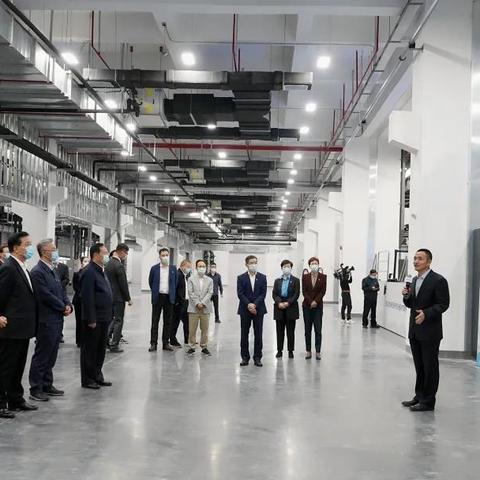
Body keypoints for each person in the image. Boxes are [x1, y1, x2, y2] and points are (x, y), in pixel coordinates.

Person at [401, 249, 450, 412]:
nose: (416, 261)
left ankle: (428, 401)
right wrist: (406, 296)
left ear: (429, 262)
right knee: (420, 366)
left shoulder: (438, 280)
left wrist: (426, 314)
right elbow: (411, 304)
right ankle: (419, 396)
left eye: (420, 259)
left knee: (430, 367)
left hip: (430, 331)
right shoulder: (414, 280)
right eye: (415, 258)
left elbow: (443, 304)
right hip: (415, 330)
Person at [0, 231, 38, 418]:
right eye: (27, 244)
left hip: (22, 328)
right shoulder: (8, 268)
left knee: (18, 366)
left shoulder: (22, 267)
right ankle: (1, 403)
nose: (30, 247)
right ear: (16, 248)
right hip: (10, 327)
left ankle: (16, 399)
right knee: (6, 367)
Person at [28, 239, 72, 402]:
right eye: (53, 249)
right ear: (44, 252)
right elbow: (45, 295)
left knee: (52, 354)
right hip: (46, 319)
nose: (55, 251)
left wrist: (68, 305)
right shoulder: (37, 272)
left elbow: (60, 290)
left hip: (57, 318)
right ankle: (36, 388)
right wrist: (62, 306)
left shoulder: (52, 270)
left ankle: (47, 384)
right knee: (42, 355)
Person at [80, 243, 113, 389]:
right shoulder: (89, 272)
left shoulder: (100, 270)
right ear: (95, 255)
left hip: (104, 317)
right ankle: (88, 379)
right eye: (104, 253)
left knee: (100, 349)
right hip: (94, 319)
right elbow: (87, 297)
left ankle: (97, 376)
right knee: (90, 350)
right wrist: (91, 318)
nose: (107, 256)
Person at [237, 255, 267, 367]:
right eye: (251, 263)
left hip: (259, 310)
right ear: (246, 264)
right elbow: (240, 293)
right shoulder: (241, 278)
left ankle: (257, 357)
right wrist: (249, 304)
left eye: (255, 262)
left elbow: (263, 294)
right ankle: (245, 357)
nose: (253, 264)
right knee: (244, 334)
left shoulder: (262, 277)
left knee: (258, 334)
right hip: (245, 310)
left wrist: (255, 305)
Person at [148, 248, 177, 352]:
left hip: (169, 298)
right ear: (159, 256)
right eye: (163, 255)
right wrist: (156, 292)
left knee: (167, 322)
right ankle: (153, 343)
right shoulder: (154, 268)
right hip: (158, 297)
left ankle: (166, 343)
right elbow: (150, 282)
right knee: (155, 321)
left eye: (166, 255)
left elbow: (175, 283)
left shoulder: (173, 268)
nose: (165, 257)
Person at [105, 243, 132, 353]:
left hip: (109, 296)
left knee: (111, 319)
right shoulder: (119, 265)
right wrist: (128, 298)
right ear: (121, 252)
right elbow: (123, 284)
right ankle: (114, 345)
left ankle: (105, 341)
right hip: (118, 298)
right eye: (126, 253)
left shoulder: (108, 264)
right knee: (118, 321)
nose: (126, 255)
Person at [273, 260, 300, 359]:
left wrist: (288, 302)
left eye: (288, 266)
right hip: (279, 307)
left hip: (291, 307)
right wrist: (279, 302)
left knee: (290, 331)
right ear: (282, 268)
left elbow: (296, 294)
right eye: (284, 266)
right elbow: (274, 294)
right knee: (279, 331)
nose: (286, 268)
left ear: (291, 268)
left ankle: (290, 351)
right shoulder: (277, 281)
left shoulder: (296, 280)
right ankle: (279, 350)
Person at [186, 260, 213, 356]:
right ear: (196, 268)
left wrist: (203, 303)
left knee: (205, 329)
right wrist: (197, 303)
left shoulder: (210, 280)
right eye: (200, 266)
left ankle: (204, 346)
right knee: (192, 329)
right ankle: (192, 346)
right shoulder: (191, 279)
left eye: (203, 266)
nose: (202, 268)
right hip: (194, 307)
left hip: (205, 308)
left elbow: (210, 292)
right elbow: (190, 292)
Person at [302, 257, 327, 360]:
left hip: (318, 307)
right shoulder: (305, 277)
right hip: (307, 306)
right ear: (309, 265)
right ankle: (308, 351)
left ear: (318, 264)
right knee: (307, 330)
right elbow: (304, 291)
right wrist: (310, 301)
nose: (314, 265)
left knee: (318, 330)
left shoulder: (323, 277)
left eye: (316, 263)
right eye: (312, 263)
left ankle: (318, 351)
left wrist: (315, 301)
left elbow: (323, 291)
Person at [170, 259, 191, 346]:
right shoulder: (178, 275)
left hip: (185, 302)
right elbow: (174, 289)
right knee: (175, 322)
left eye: (190, 267)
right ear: (182, 266)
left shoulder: (185, 276)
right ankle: (172, 339)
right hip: (179, 303)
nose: (189, 269)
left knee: (187, 322)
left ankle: (187, 339)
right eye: (188, 267)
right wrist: (176, 302)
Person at [72, 257, 89, 348]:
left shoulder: (90, 273)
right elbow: (76, 287)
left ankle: (85, 339)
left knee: (86, 321)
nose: (87, 263)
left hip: (87, 300)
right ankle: (79, 340)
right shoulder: (77, 274)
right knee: (79, 321)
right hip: (79, 300)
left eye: (88, 261)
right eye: (85, 261)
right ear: (81, 263)